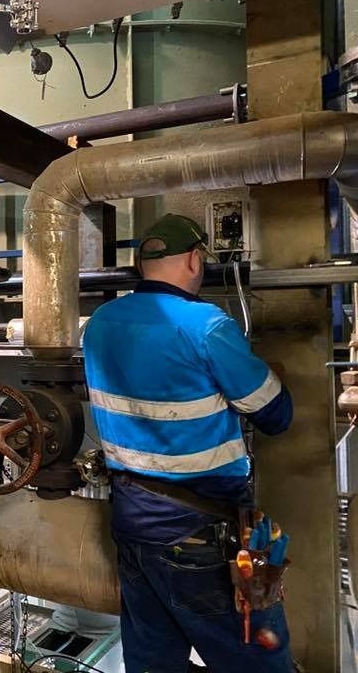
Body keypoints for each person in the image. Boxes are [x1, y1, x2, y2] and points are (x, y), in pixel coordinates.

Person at [82, 214, 294, 672]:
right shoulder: (206, 326)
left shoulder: (99, 323)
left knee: (153, 664)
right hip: (201, 539)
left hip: (132, 529)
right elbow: (276, 415)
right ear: (196, 259)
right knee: (258, 662)